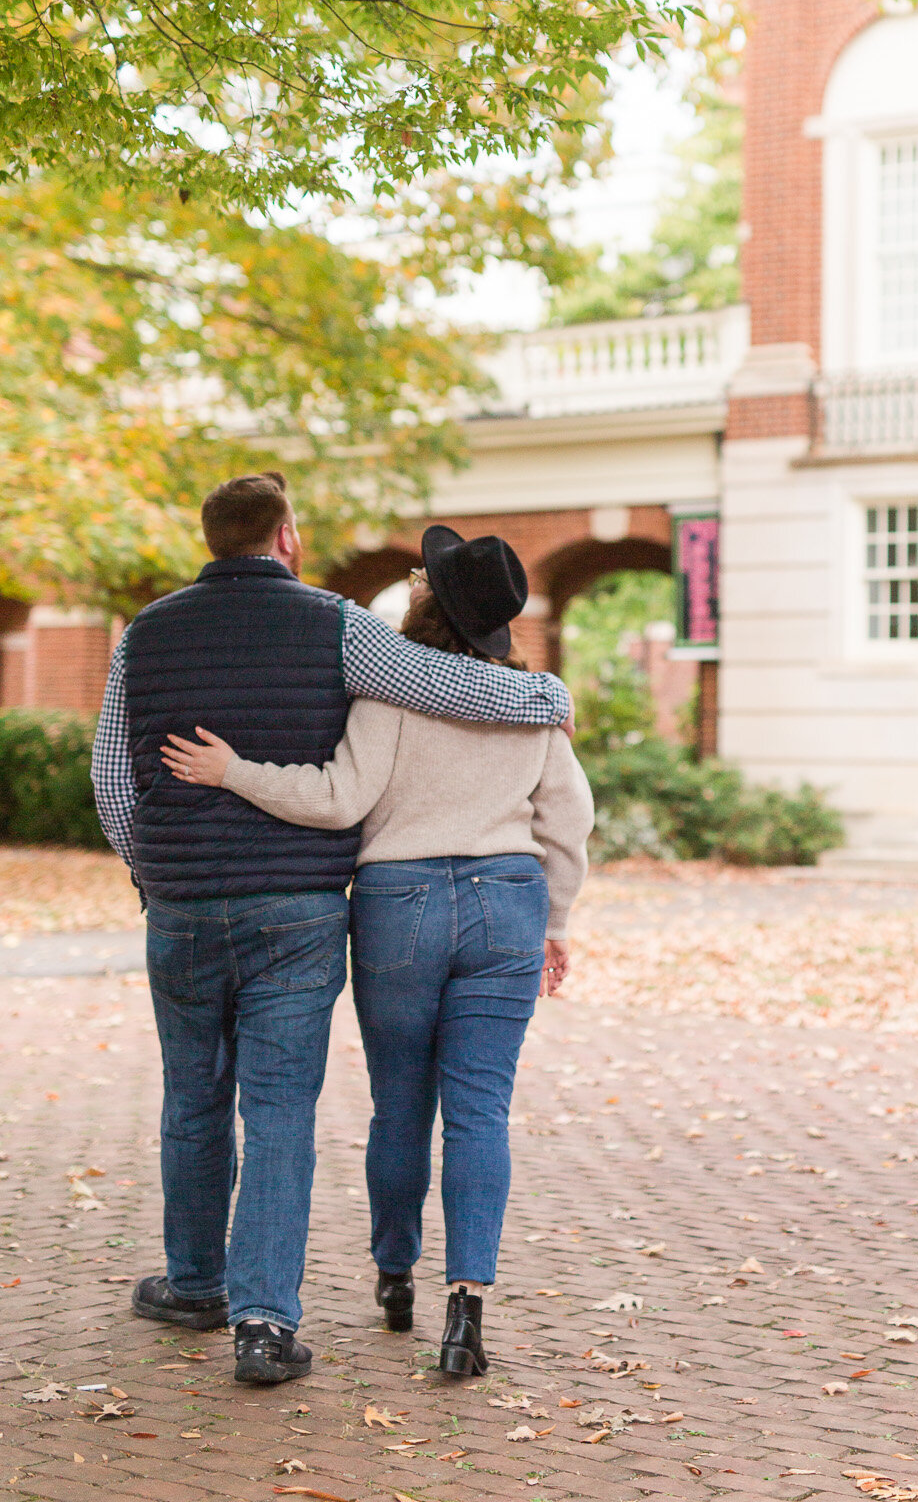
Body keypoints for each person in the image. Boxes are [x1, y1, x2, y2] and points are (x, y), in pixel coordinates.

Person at [91, 473, 574, 1387]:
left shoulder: (142, 635)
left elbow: (113, 779)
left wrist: (151, 872)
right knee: (280, 1111)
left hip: (187, 905)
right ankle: (264, 1324)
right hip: (304, 907)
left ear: (211, 538)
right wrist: (545, 699)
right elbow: (442, 682)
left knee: (193, 1098)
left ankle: (196, 1282)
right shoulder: (335, 624)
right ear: (287, 538)